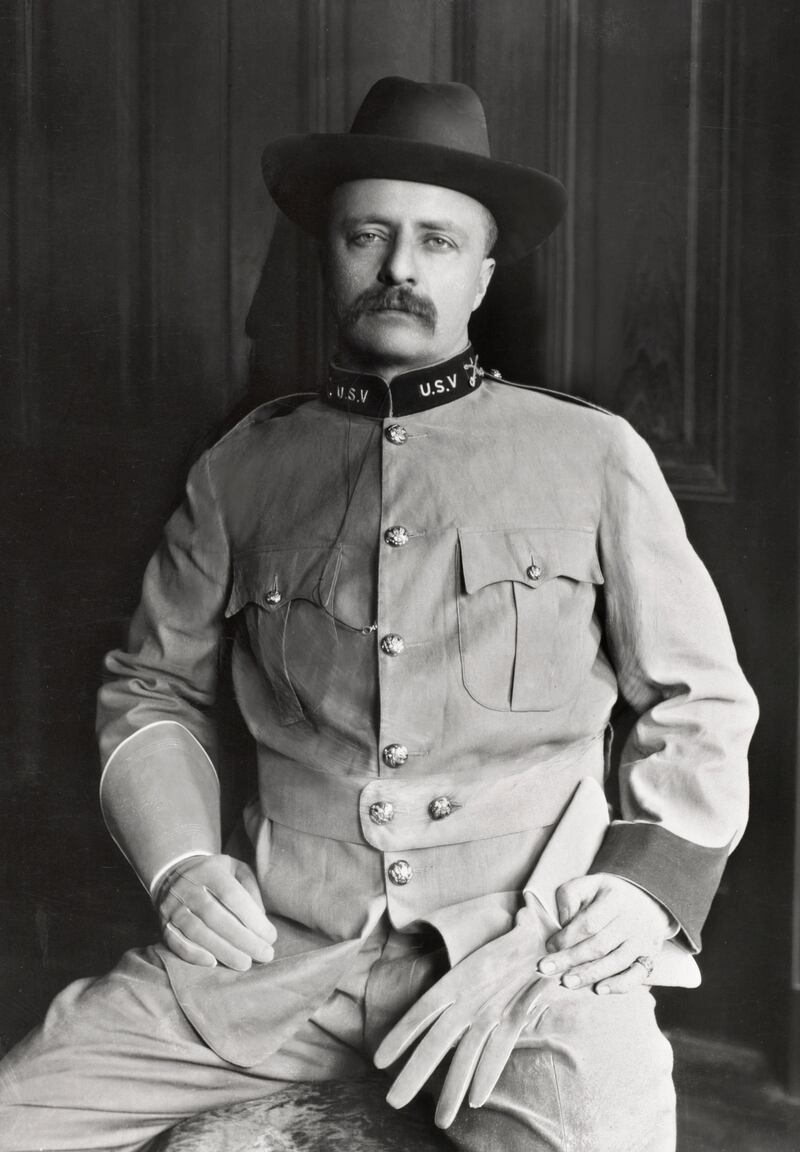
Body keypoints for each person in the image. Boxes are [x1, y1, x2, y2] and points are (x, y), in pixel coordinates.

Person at [0, 76, 757, 1152]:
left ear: (481, 276)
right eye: (369, 234)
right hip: (272, 963)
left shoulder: (592, 458)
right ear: (330, 253)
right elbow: (149, 685)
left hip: (522, 958)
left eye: (437, 244)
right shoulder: (243, 470)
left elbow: (698, 696)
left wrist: (640, 891)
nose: (399, 268)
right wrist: (181, 866)